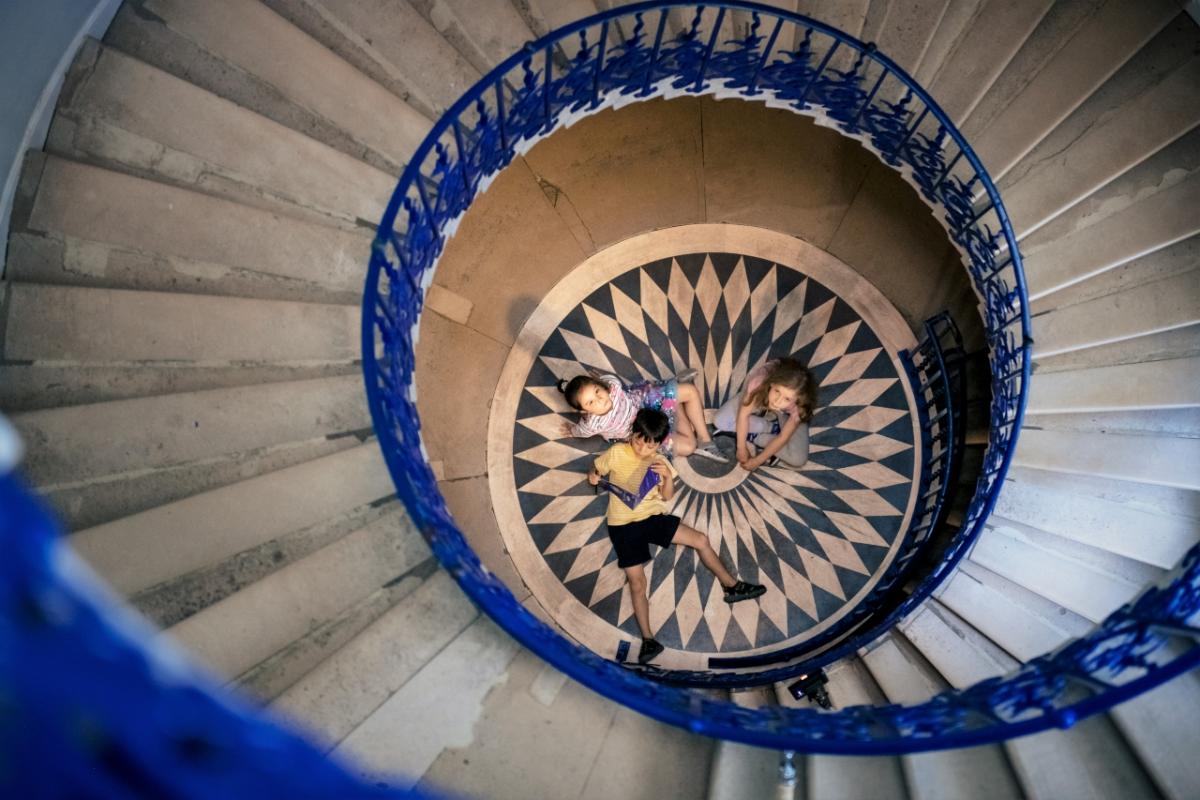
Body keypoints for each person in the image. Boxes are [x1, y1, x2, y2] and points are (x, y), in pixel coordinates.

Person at [588, 408, 766, 664]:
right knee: (637, 583)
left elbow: (667, 496)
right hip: (623, 525)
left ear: (659, 445)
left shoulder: (660, 462)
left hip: (651, 517)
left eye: (649, 446)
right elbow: (595, 471)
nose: (641, 449)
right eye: (639, 441)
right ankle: (649, 639)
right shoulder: (616, 453)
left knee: (701, 540)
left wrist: (664, 477)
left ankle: (732, 586)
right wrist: (594, 477)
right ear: (633, 435)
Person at [558, 370, 725, 461]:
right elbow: (581, 431)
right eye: (591, 402)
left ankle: (705, 440)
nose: (600, 399)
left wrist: (600, 378)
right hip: (644, 430)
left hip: (647, 401)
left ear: (601, 385)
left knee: (689, 390)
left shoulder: (613, 386)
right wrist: (572, 430)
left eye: (597, 391)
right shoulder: (592, 425)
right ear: (584, 412)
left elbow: (606, 378)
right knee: (688, 447)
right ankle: (674, 395)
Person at [713, 357, 815, 472]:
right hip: (761, 394)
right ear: (772, 384)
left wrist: (758, 460)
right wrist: (741, 448)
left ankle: (756, 435)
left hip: (787, 411)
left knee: (798, 459)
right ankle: (769, 427)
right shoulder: (759, 383)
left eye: (787, 398)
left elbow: (783, 437)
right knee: (720, 421)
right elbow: (743, 415)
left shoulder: (800, 406)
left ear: (797, 400)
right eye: (777, 391)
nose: (777, 401)